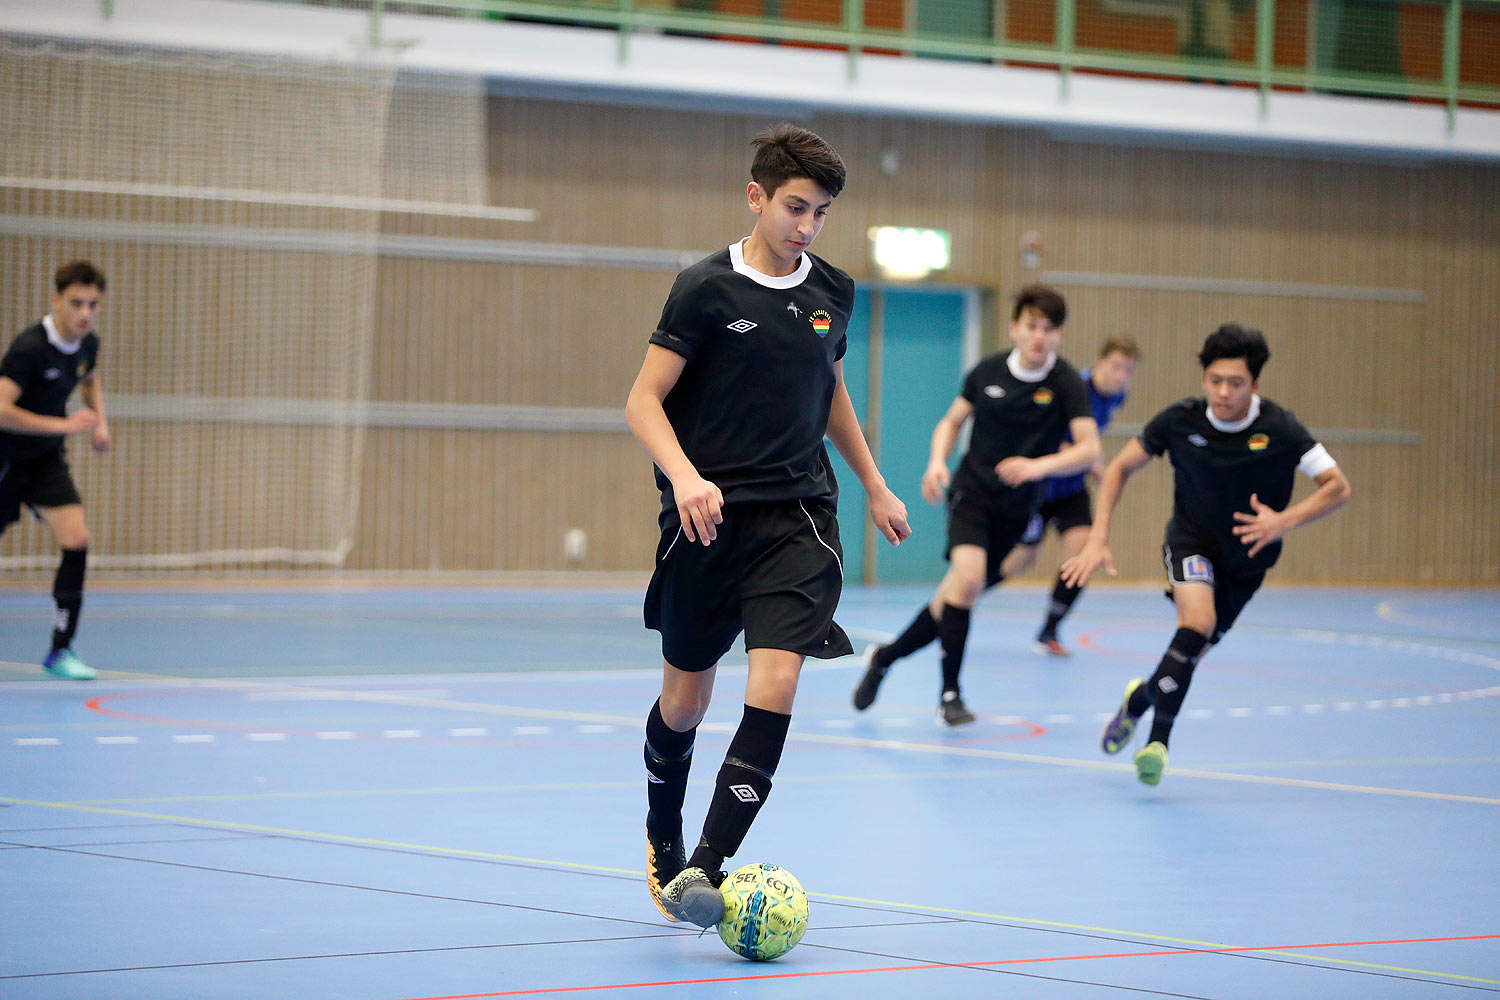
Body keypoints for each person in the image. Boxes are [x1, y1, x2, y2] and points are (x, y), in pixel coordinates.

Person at [625, 124, 911, 929]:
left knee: (778, 681)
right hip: (708, 522)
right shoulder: (703, 289)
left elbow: (830, 394)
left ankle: (704, 870)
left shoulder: (833, 292)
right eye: (795, 207)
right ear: (756, 197)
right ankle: (663, 834)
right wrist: (685, 477)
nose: (807, 227)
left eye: (820, 213)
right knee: (684, 703)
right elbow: (642, 401)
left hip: (797, 518)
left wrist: (876, 485)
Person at [1061, 323, 1351, 786]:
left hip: (1248, 561)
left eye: (1235, 383)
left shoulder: (1280, 428)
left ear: (1254, 385)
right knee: (1197, 623)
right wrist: (1098, 536)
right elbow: (1118, 469)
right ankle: (1158, 743)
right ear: (1203, 379)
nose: (1222, 391)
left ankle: (1138, 701)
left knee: (1191, 651)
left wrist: (1283, 521)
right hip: (1190, 542)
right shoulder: (1180, 420)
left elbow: (1337, 487)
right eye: (1214, 380)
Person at [852, 285, 1100, 725]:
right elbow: (951, 421)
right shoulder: (987, 372)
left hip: (1019, 508)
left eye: (1048, 329)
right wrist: (935, 462)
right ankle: (951, 695)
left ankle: (885, 658)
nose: (1039, 336)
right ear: (1014, 328)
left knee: (950, 601)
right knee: (966, 583)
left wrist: (1038, 467)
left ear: (1059, 334)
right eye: (1031, 326)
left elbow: (1088, 449)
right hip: (972, 495)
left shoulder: (1064, 383)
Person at [0, 260, 111, 681]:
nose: (84, 313)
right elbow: (1, 409)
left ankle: (60, 651)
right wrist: (67, 424)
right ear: (56, 302)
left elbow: (90, 379)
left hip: (45, 460)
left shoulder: (88, 345)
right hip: (6, 459)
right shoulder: (29, 348)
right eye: (76, 303)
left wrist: (101, 423)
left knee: (77, 539)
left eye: (93, 305)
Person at [1000, 336, 1140, 657]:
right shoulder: (1074, 388)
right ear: (1100, 362)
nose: (1121, 376)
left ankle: (1049, 629)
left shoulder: (1117, 397)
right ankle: (964, 597)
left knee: (1083, 553)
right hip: (1040, 487)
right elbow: (1048, 436)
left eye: (1128, 370)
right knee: (1020, 561)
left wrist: (1091, 464)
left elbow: (1087, 440)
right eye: (1116, 366)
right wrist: (1084, 457)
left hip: (1072, 490)